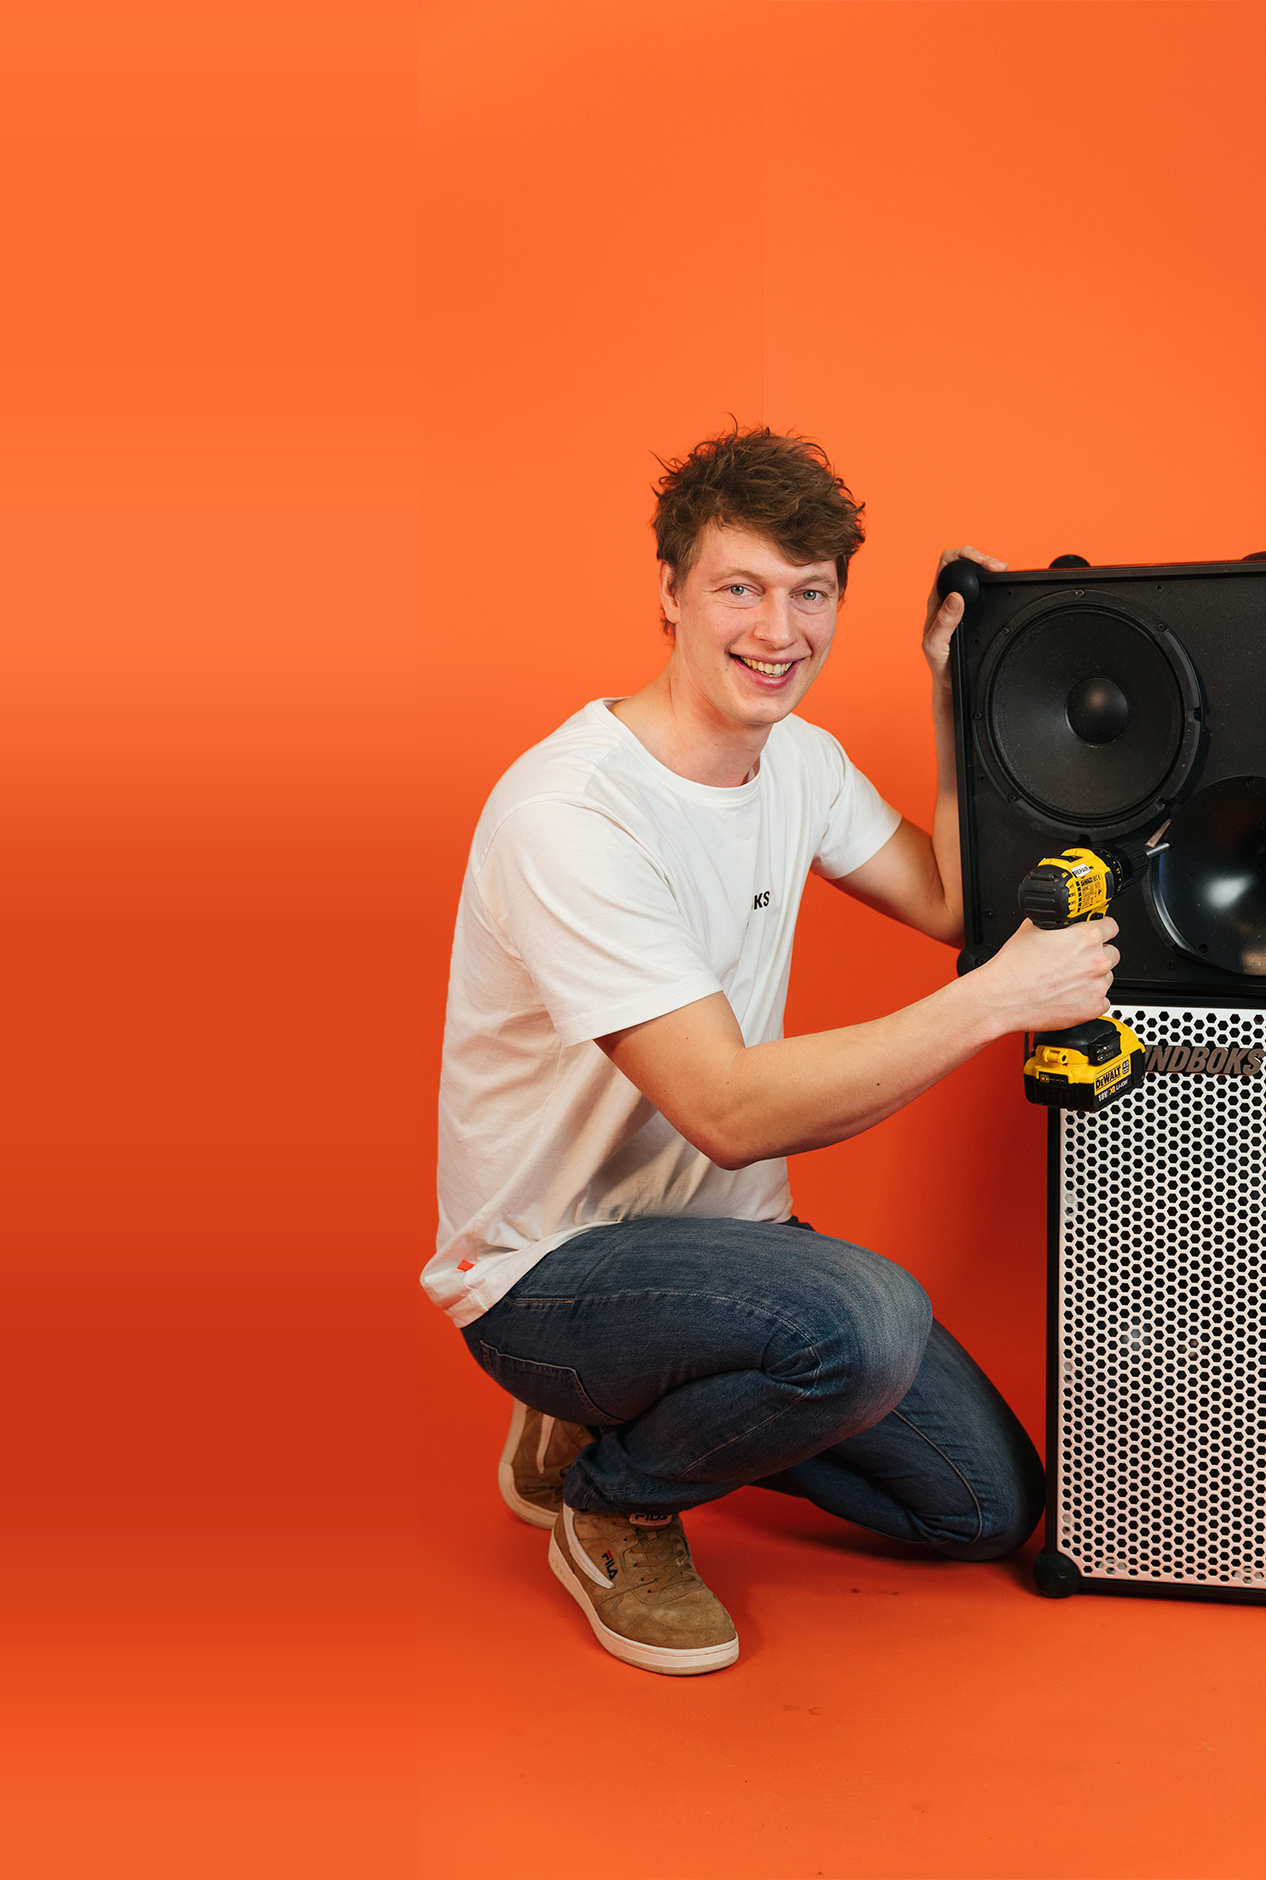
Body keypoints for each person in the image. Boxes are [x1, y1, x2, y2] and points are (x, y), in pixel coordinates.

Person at [424, 424, 1116, 1676]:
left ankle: (610, 1407)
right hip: (547, 1267)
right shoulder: (569, 815)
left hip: (721, 1248)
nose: (778, 630)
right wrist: (996, 1003)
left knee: (982, 1510)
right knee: (865, 1319)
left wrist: (958, 684)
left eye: (811, 593)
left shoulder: (794, 761)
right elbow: (729, 1112)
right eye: (740, 588)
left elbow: (955, 900)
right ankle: (612, 1489)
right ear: (669, 591)